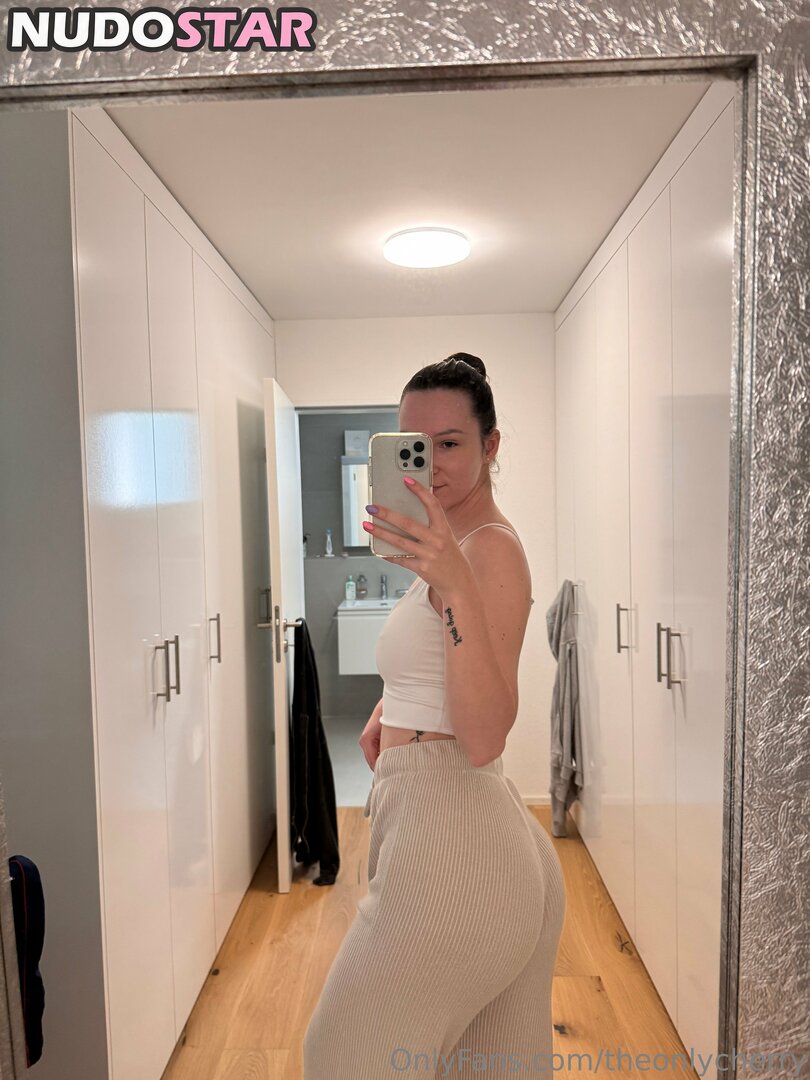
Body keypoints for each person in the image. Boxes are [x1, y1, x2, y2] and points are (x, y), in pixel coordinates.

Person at [303, 353, 566, 1078]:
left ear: (491, 445)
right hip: (467, 835)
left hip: (454, 843)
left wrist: (449, 584)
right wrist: (393, 706)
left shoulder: (488, 554)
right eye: (414, 445)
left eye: (449, 443)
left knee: (339, 1057)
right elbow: (448, 663)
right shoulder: (458, 547)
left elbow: (483, 736)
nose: (431, 464)